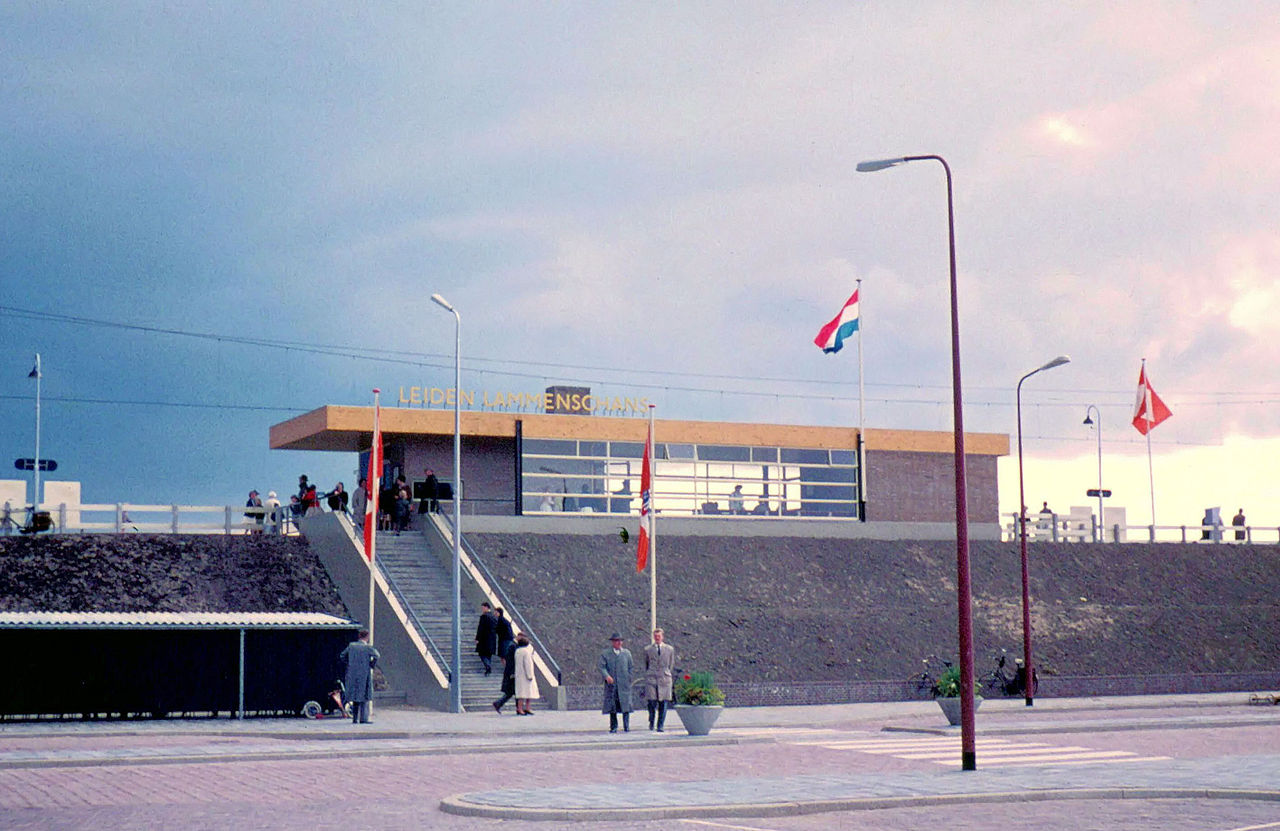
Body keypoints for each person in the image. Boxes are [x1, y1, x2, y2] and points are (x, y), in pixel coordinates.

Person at [339, 629, 379, 725]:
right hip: (364, 674)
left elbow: (342, 656)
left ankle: (355, 718)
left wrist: (349, 663)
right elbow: (377, 655)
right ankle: (363, 718)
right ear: (367, 637)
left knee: (355, 696)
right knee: (364, 696)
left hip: (352, 674)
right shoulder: (367, 647)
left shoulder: (351, 646)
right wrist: (371, 664)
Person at [599, 632, 634, 733]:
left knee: (625, 705)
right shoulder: (606, 654)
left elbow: (631, 667)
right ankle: (613, 726)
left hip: (624, 684)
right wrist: (607, 676)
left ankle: (626, 726)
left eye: (620, 641)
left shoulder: (627, 653)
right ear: (612, 642)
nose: (619, 643)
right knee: (612, 706)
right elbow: (602, 667)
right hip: (612, 684)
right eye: (616, 641)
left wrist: (629, 678)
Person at [643, 627, 675, 732]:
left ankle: (660, 725)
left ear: (662, 637)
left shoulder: (669, 649)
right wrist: (650, 673)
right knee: (651, 702)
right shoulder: (648, 649)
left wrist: (666, 673)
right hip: (652, 678)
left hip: (664, 678)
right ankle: (651, 721)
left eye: (659, 636)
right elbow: (646, 664)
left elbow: (671, 664)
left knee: (663, 703)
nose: (657, 638)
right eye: (655, 636)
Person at [513, 634, 539, 715]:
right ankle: (526, 708)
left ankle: (520, 708)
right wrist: (530, 675)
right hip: (526, 676)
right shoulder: (526, 652)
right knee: (528, 693)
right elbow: (528, 665)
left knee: (521, 693)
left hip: (519, 675)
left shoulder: (517, 651)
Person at [491, 637, 518, 713]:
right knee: (515, 691)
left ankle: (498, 703)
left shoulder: (512, 646)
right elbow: (511, 662)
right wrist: (512, 673)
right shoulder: (513, 647)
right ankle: (519, 708)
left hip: (511, 672)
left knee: (512, 692)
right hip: (512, 673)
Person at [475, 602, 498, 675]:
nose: (482, 609)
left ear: (486, 607)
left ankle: (488, 666)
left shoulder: (484, 617)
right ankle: (488, 667)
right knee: (488, 654)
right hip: (492, 638)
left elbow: (480, 628)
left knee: (482, 654)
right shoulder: (494, 617)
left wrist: (477, 638)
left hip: (484, 639)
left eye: (483, 608)